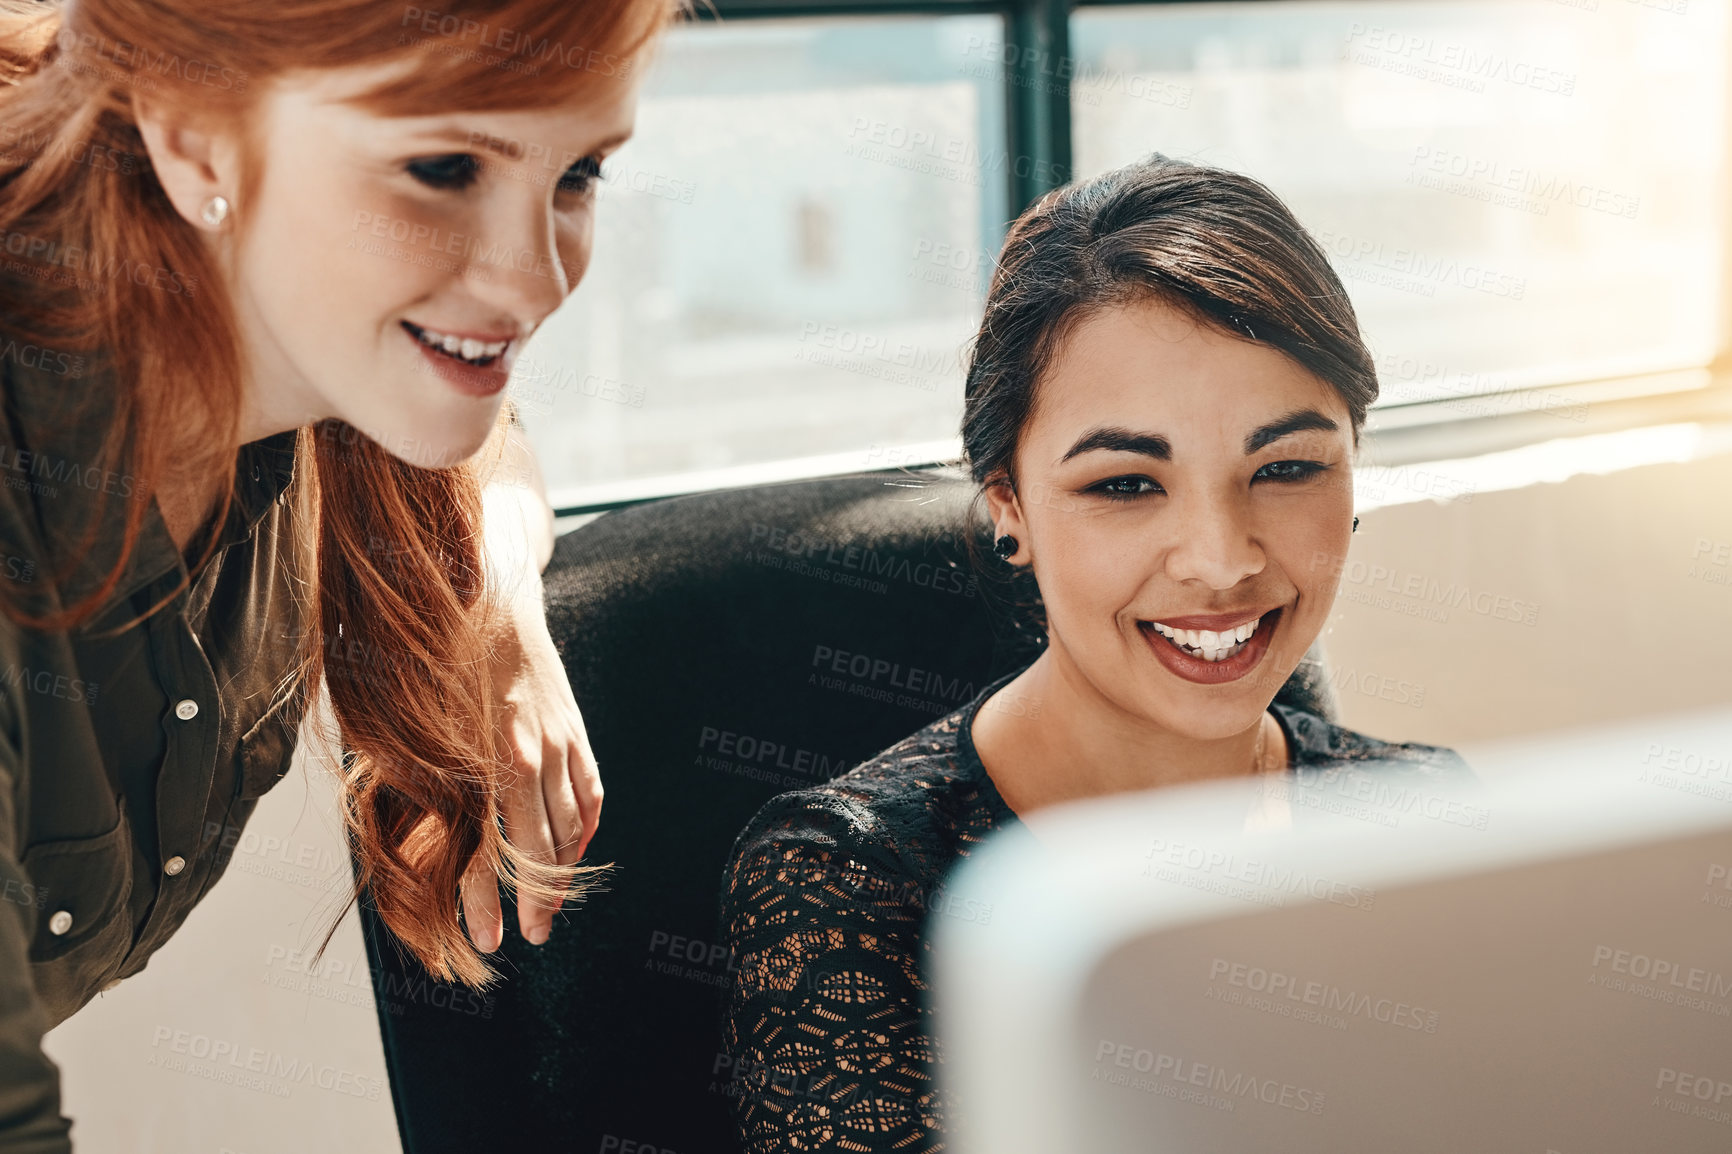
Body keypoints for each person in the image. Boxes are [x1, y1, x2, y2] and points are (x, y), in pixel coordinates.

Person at [0, 0, 679, 1144]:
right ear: (194, 138)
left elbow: (492, 436)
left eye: (578, 175)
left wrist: (494, 597)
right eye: (441, 165)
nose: (533, 279)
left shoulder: (320, 368)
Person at [716, 155, 1477, 1152]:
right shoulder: (845, 884)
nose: (1221, 560)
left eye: (1285, 468)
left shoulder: (1429, 817)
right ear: (1009, 509)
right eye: (1125, 483)